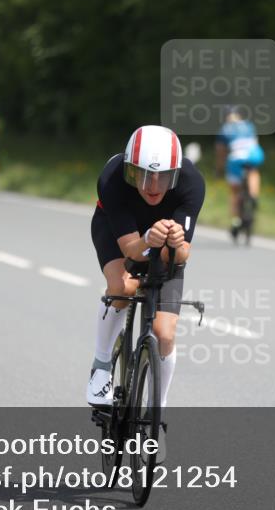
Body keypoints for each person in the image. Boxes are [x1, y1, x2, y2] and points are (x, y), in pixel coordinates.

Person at [87, 125, 205, 421]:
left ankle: (157, 416)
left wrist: (175, 242)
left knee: (164, 333)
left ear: (175, 174)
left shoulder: (192, 182)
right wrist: (148, 238)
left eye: (163, 177)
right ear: (130, 170)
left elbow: (181, 255)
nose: (153, 185)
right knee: (123, 287)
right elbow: (130, 252)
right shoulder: (113, 178)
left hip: (162, 244)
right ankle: (101, 367)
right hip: (120, 234)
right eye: (143, 175)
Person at [215, 108, 264, 239]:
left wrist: (219, 169)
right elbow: (255, 142)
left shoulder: (224, 129)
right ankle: (253, 195)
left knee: (234, 192)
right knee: (253, 171)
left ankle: (236, 221)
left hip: (236, 158)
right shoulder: (248, 125)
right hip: (254, 154)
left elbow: (221, 153)